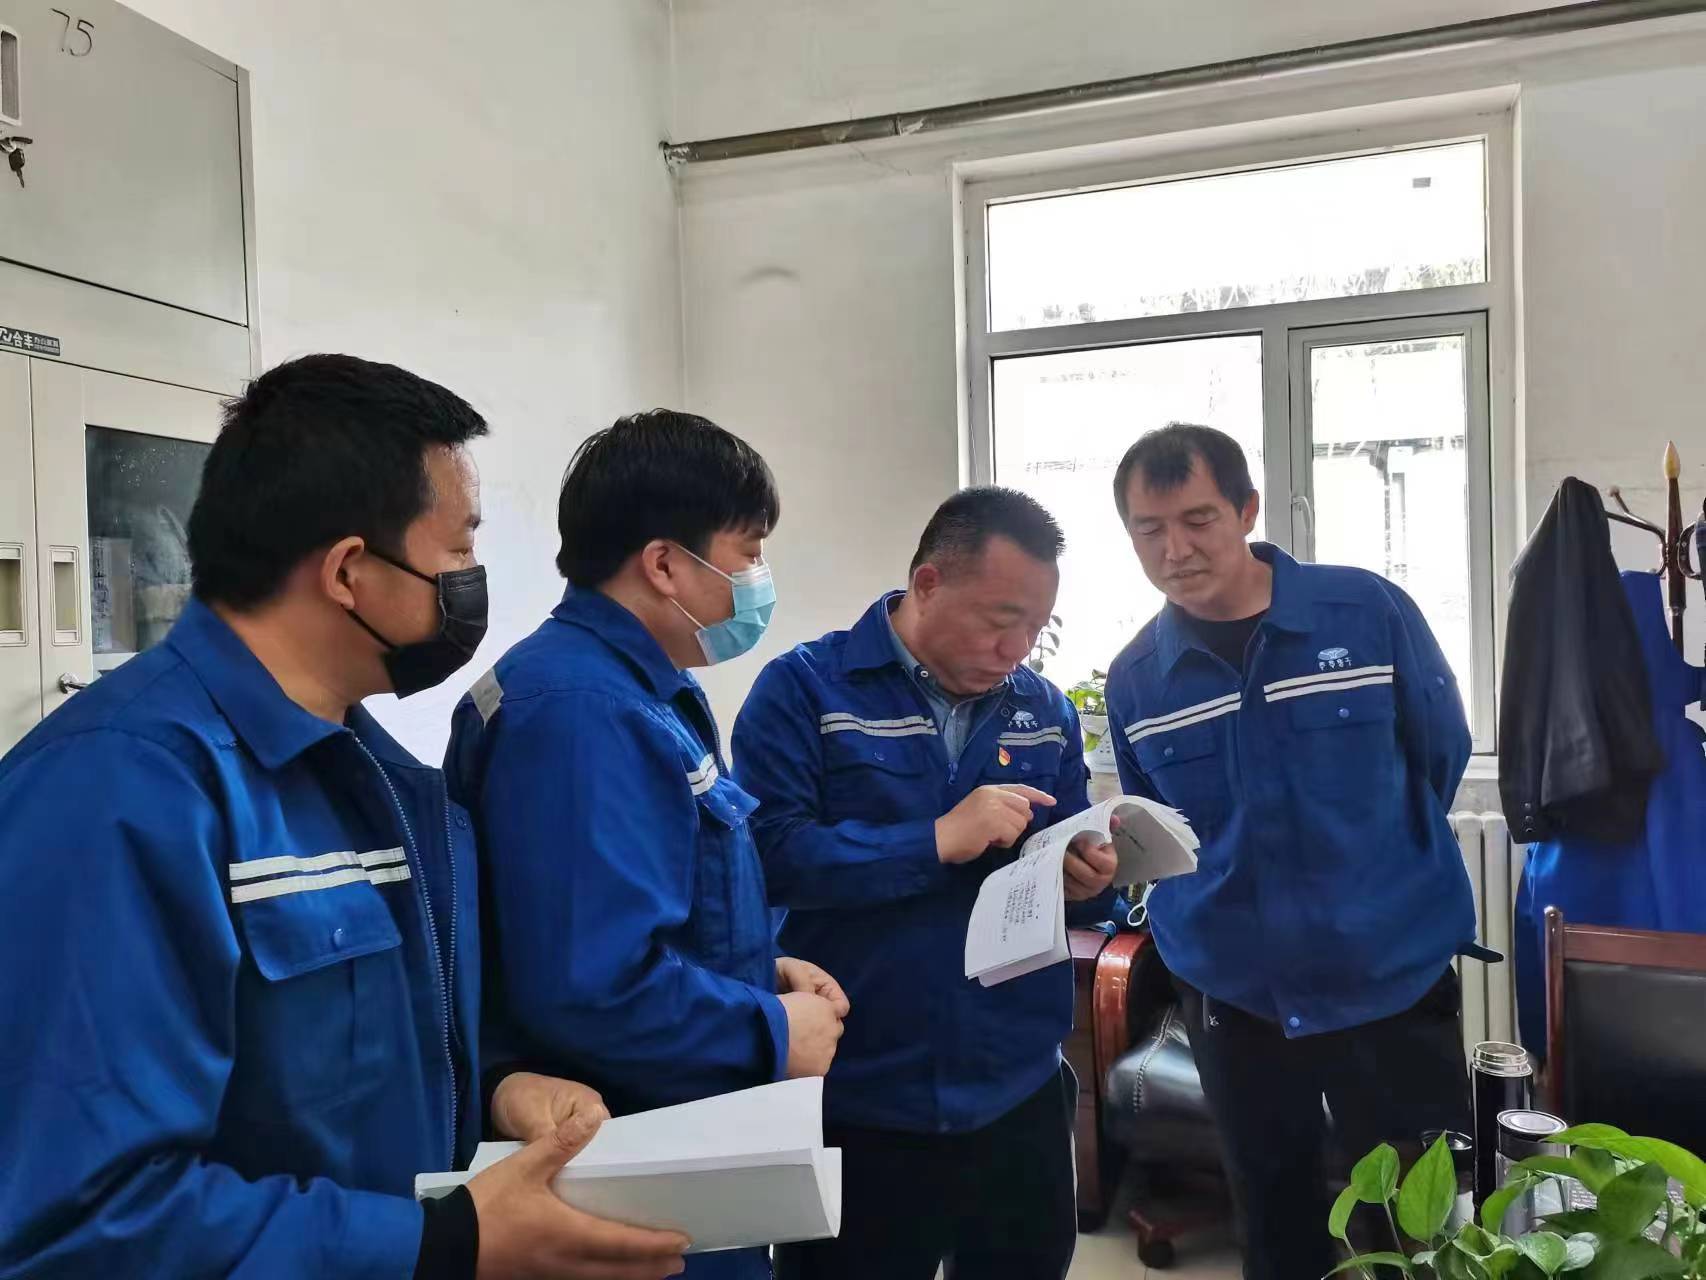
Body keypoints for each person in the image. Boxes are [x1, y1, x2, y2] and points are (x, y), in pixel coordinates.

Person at [0, 354, 690, 1280]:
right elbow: (75, 1221)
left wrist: (494, 1089)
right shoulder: (119, 792)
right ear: (349, 572)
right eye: (459, 551)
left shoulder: (373, 773)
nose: (472, 580)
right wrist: (443, 1242)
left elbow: (330, 1073)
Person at [446, 410, 847, 1280]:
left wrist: (759, 966)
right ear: (664, 564)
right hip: (635, 1158)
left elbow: (634, 904)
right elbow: (590, 985)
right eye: (748, 553)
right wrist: (769, 1028)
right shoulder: (582, 714)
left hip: (676, 1130)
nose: (758, 580)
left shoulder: (635, 690)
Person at [1102, 423, 1477, 1280]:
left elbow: (1438, 755)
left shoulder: (1366, 612)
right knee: (1273, 1217)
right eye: (1149, 529)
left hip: (1388, 974)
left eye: (1198, 519)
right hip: (1235, 994)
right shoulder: (1137, 679)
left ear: (1246, 510)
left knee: (1414, 1220)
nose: (1175, 549)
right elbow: (1163, 831)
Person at [733, 487, 1120, 1280]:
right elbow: (770, 857)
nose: (1017, 647)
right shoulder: (806, 691)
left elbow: (1064, 858)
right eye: (999, 619)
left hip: (1016, 1083)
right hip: (864, 1091)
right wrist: (935, 840)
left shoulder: (1043, 709)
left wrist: (1088, 878)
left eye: (1037, 627)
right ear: (928, 583)